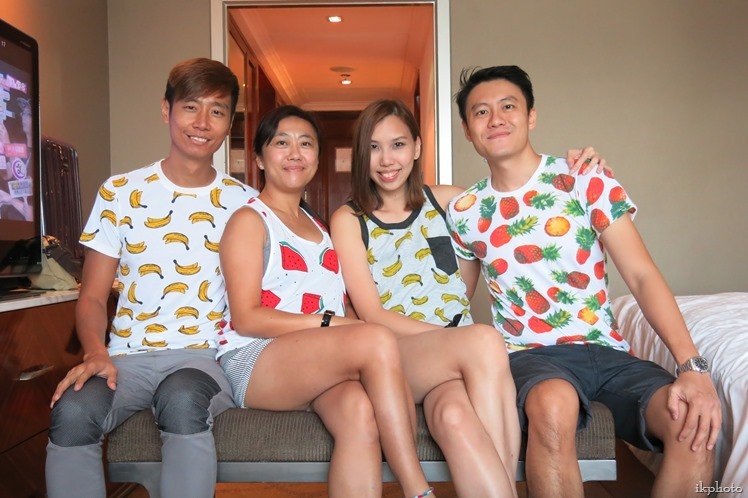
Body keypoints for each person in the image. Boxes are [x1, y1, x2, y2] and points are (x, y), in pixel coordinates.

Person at [447, 65, 721, 498]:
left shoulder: (585, 177)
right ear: (467, 130)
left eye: (508, 106)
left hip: (607, 352)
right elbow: (454, 303)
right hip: (530, 356)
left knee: (691, 420)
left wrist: (692, 367)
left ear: (531, 116)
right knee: (552, 406)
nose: (495, 119)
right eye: (481, 112)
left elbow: (641, 275)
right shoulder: (464, 210)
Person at [330, 99, 608, 497]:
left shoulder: (450, 202)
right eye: (373, 147)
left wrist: (577, 169)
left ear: (417, 147)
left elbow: (517, 207)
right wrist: (453, 340)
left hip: (453, 357)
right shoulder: (349, 219)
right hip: (395, 356)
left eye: (398, 144)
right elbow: (371, 313)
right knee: (482, 339)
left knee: (455, 417)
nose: (387, 159)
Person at [46, 58, 258, 498]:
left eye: (217, 111)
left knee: (181, 400)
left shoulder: (247, 204)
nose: (202, 123)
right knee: (73, 411)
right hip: (126, 358)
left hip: (206, 358)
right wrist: (96, 353)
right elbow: (92, 297)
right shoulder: (120, 192)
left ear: (229, 123)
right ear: (166, 110)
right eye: (191, 107)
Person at [216, 105, 435, 498]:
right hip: (255, 359)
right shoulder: (249, 221)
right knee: (375, 337)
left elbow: (339, 302)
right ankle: (418, 489)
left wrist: (346, 324)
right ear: (260, 158)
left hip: (313, 360)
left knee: (358, 414)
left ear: (317, 158)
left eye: (306, 144)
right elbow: (246, 318)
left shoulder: (320, 226)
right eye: (281, 143)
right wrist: (329, 323)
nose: (294, 153)